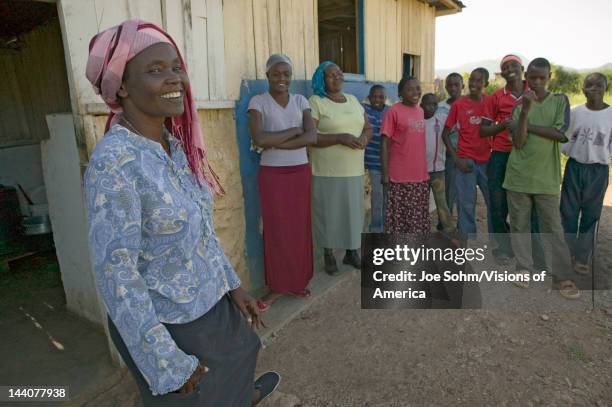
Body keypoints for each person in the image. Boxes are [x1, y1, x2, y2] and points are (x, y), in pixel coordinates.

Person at [84, 20, 279, 406]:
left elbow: (202, 229)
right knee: (195, 396)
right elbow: (116, 274)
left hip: (209, 304)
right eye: (155, 70)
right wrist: (165, 362)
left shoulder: (172, 147)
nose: (175, 78)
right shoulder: (115, 164)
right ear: (120, 85)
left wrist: (232, 285)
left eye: (176, 67)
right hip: (171, 324)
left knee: (241, 357)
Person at [504, 57, 579, 299]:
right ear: (526, 78)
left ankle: (562, 276)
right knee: (519, 225)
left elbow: (560, 134)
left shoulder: (560, 101)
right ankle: (523, 268)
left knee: (552, 227)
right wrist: (525, 113)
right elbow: (518, 141)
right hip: (518, 176)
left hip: (546, 179)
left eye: (541, 78)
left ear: (549, 78)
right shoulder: (520, 105)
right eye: (532, 78)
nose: (536, 82)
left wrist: (526, 123)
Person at [248, 54, 316, 310]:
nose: (282, 79)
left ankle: (298, 281)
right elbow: (259, 139)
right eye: (276, 74)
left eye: (286, 74)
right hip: (273, 175)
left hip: (299, 172)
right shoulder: (258, 102)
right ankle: (276, 286)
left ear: (291, 76)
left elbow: (311, 136)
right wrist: (293, 131)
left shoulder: (301, 100)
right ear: (267, 76)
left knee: (299, 227)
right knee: (276, 229)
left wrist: (276, 140)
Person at [480, 55, 546, 268]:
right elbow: (483, 130)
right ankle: (504, 248)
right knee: (499, 205)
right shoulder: (495, 97)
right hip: (500, 155)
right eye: (505, 67)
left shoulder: (535, 92)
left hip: (528, 156)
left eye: (514, 65)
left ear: (522, 69)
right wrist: (502, 125)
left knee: (533, 205)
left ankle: (536, 252)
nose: (510, 69)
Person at [309, 61, 372, 275]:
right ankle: (328, 254)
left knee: (354, 213)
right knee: (328, 214)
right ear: (321, 79)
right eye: (330, 75)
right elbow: (311, 137)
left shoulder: (353, 100)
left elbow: (368, 126)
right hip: (327, 171)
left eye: (339, 73)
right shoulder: (316, 102)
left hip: (354, 169)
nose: (336, 78)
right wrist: (340, 138)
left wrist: (364, 137)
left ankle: (351, 252)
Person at [560, 73, 612, 275]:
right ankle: (567, 252)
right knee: (568, 212)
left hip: (598, 170)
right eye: (589, 85)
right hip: (574, 167)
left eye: (599, 84)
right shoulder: (575, 112)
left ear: (605, 88)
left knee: (591, 214)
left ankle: (582, 257)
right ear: (582, 89)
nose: (594, 88)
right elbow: (564, 138)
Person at [442, 68, 492, 241]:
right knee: (466, 204)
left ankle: (496, 242)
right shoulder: (459, 105)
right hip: (465, 161)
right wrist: (456, 159)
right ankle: (466, 241)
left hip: (486, 161)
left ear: (486, 84)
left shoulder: (490, 103)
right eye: (472, 79)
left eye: (479, 81)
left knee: (492, 202)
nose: (474, 84)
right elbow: (445, 134)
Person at [381, 77, 430, 235]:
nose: (416, 92)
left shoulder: (420, 111)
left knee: (418, 217)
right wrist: (385, 172)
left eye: (418, 88)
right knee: (401, 218)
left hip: (420, 175)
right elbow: (384, 143)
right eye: (410, 89)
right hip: (400, 176)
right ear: (400, 93)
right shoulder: (393, 111)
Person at [421, 93, 454, 233]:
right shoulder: (417, 121)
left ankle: (449, 232)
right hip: (419, 172)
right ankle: (421, 231)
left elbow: (454, 130)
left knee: (442, 203)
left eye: (435, 104)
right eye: (429, 104)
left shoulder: (441, 119)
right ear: (421, 105)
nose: (432, 107)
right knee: (421, 205)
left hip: (438, 171)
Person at [437, 73, 464, 219]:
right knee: (449, 191)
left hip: (467, 155)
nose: (453, 88)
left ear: (462, 86)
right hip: (447, 155)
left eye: (456, 85)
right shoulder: (440, 107)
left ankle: (463, 225)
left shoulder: (469, 105)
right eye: (450, 85)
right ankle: (446, 225)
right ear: (446, 87)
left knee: (464, 193)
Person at [363, 84, 389, 232]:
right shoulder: (364, 111)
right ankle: (375, 230)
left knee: (388, 200)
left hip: (389, 164)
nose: (377, 99)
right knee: (377, 199)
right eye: (374, 96)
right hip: (373, 164)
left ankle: (386, 229)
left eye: (381, 97)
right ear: (369, 97)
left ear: (385, 98)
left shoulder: (390, 113)